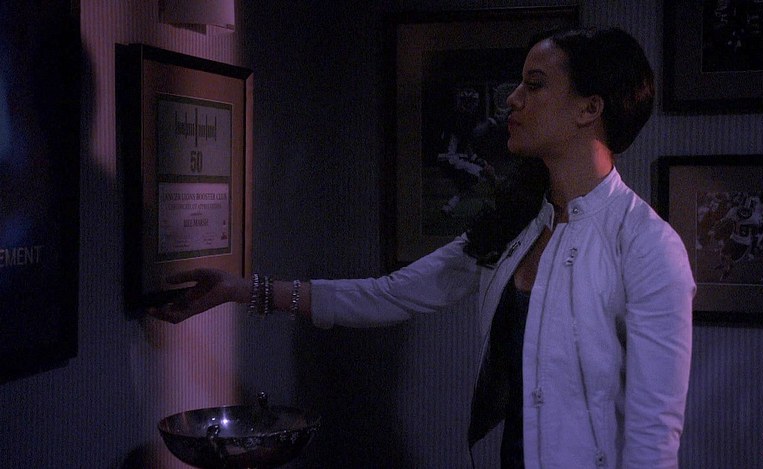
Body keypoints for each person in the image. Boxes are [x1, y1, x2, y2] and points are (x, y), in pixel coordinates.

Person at [151, 26, 696, 469]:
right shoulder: (518, 224)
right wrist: (245, 290)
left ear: (589, 108)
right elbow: (391, 294)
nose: (513, 99)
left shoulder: (647, 248)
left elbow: (653, 436)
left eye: (534, 85)